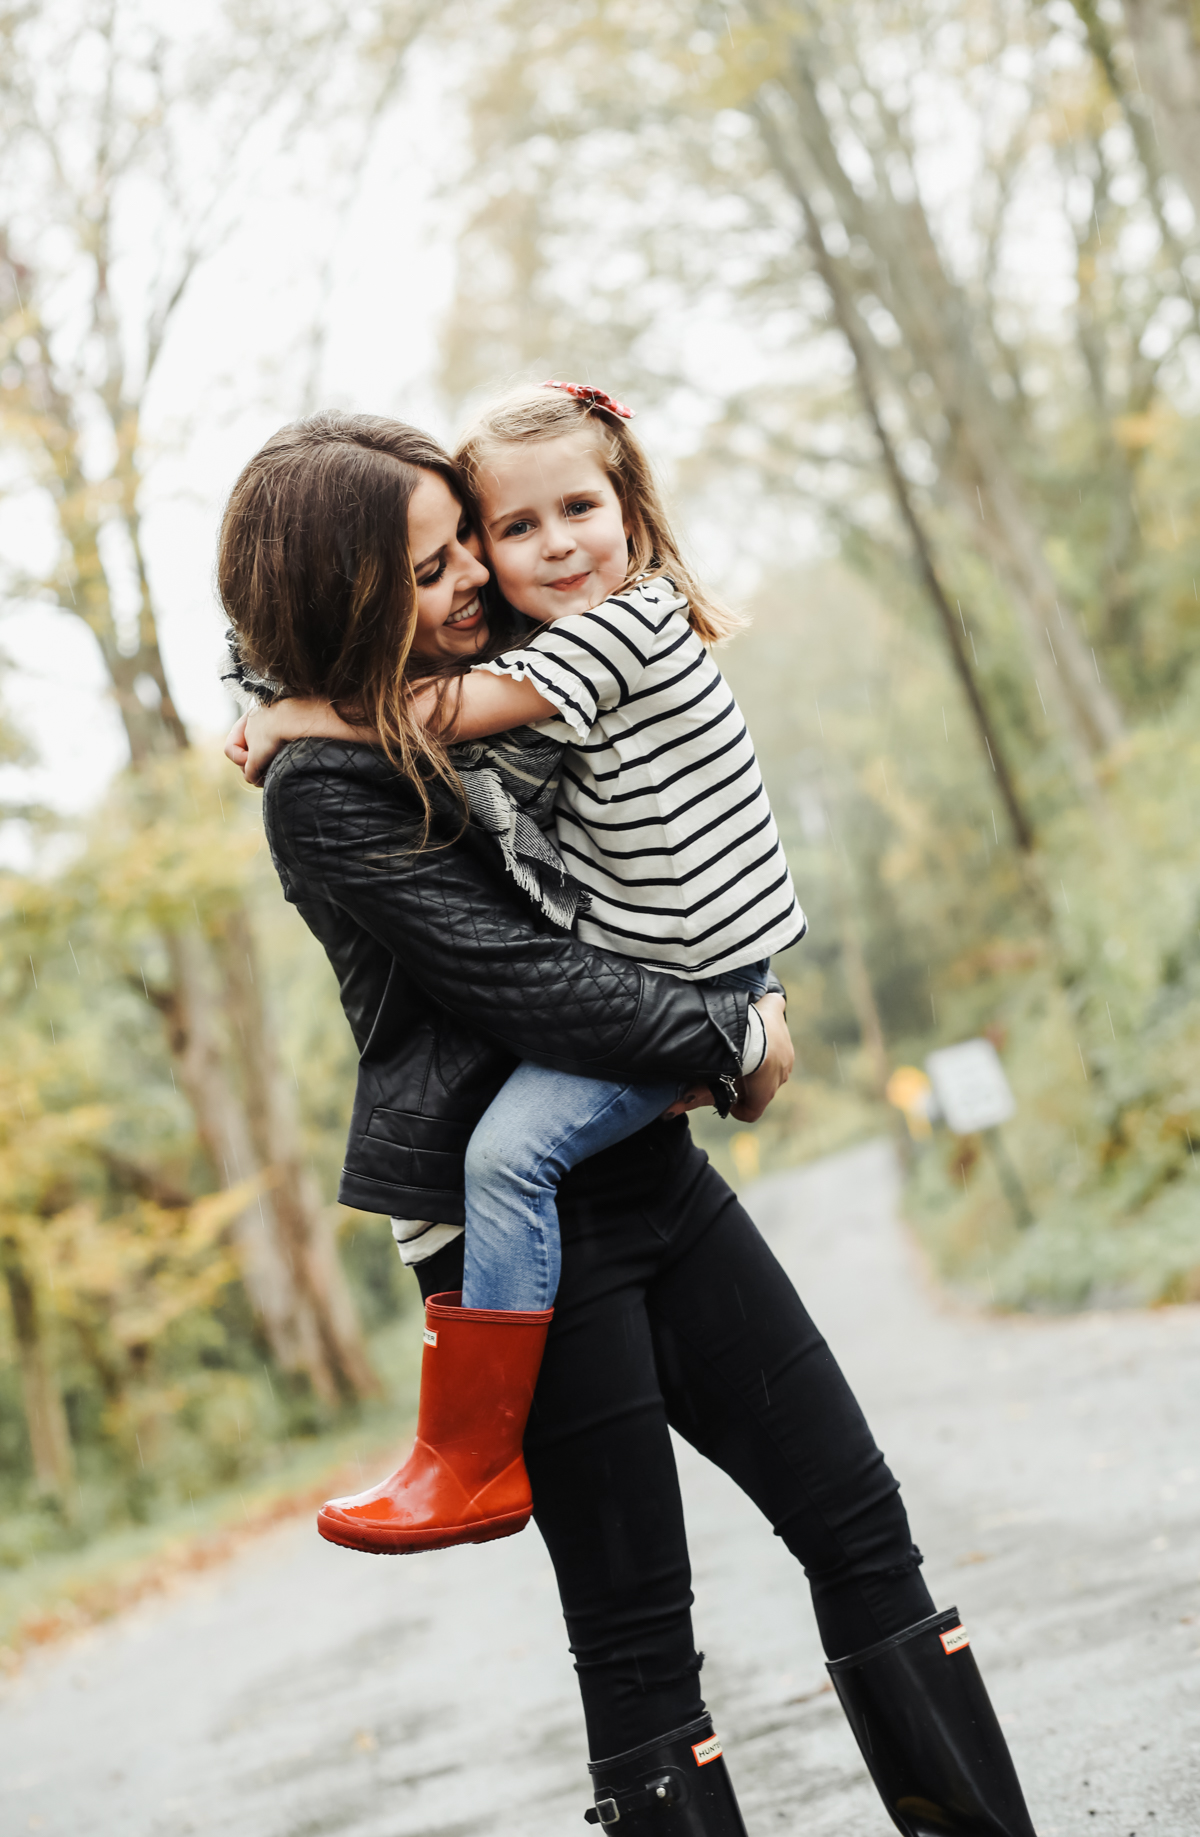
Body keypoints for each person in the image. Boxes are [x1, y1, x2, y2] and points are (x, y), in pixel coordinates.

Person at [218, 410, 1038, 1836]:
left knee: (859, 1523)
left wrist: (724, 1010)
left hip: (644, 1170)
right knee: (642, 1647)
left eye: (460, 537)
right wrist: (734, 1036)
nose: (475, 573)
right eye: (426, 567)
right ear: (344, 594)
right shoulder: (323, 788)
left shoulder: (513, 680)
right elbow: (530, 986)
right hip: (516, 1238)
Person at [230, 380, 808, 1551]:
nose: (517, 563)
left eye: (576, 511)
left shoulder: (617, 626)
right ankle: (467, 1447)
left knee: (504, 1155)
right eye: (500, 536)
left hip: (690, 989)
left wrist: (292, 714)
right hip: (680, 982)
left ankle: (469, 1450)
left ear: (630, 509)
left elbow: (438, 712)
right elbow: (347, 623)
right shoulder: (555, 631)